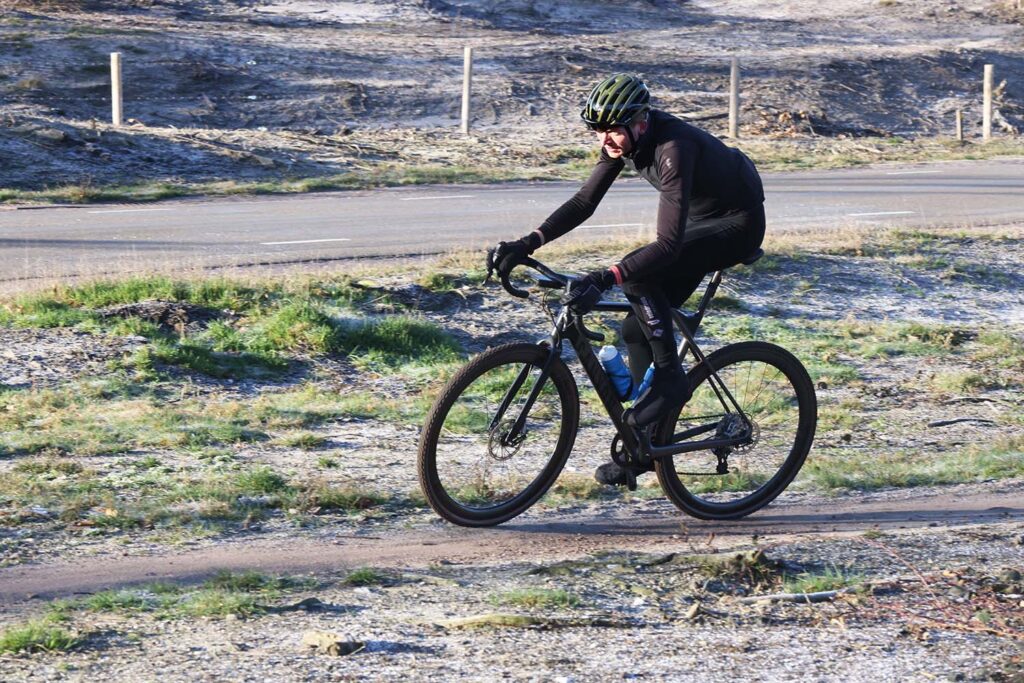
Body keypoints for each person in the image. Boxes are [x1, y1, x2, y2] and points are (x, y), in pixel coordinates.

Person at [492, 73, 765, 486]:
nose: (606, 141)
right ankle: (643, 448)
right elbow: (585, 201)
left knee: (638, 273)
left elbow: (668, 247)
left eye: (613, 130)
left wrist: (606, 277)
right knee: (636, 329)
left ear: (640, 121)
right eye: (598, 132)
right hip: (700, 220)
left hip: (736, 224)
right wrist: (529, 242)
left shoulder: (673, 148)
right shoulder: (623, 140)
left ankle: (671, 381)